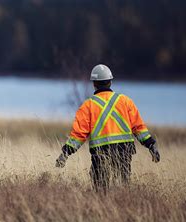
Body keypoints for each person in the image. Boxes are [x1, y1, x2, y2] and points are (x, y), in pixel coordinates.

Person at [55, 64, 160, 192]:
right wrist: (151, 145)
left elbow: (78, 135)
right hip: (124, 151)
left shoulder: (88, 105)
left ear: (94, 83)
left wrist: (65, 153)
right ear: (110, 82)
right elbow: (139, 128)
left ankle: (103, 209)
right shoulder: (125, 101)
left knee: (100, 190)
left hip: (100, 153)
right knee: (123, 188)